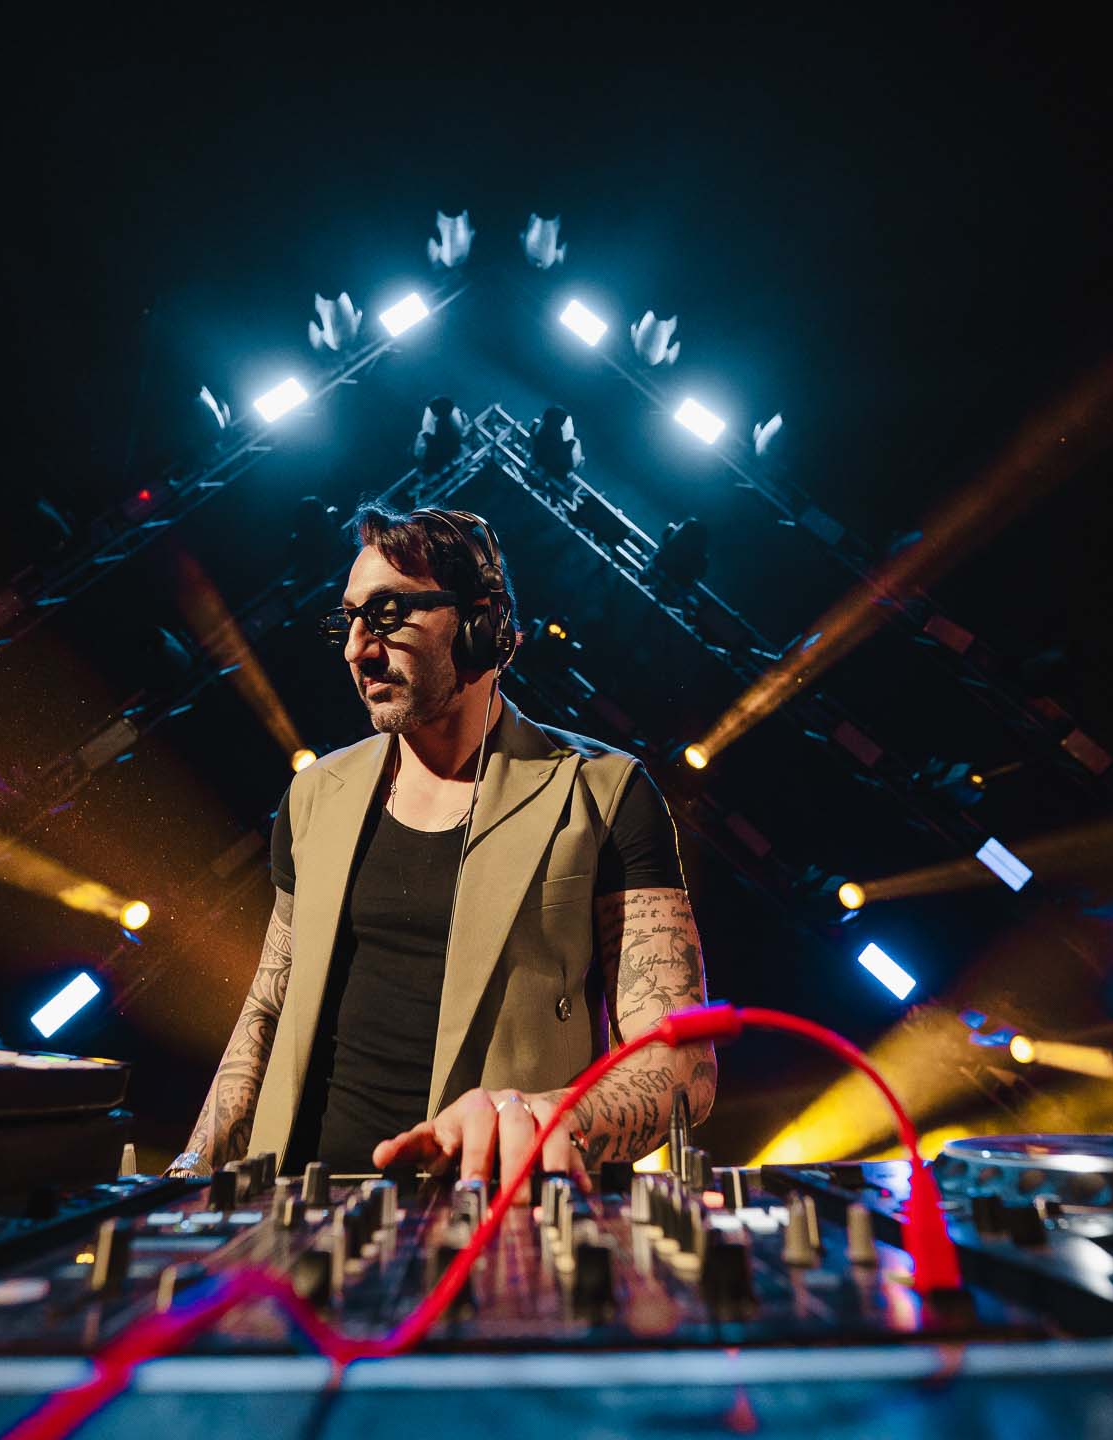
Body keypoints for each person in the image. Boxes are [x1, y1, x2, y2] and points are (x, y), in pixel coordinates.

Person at [168, 502, 715, 1195]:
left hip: (500, 1215)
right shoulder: (315, 796)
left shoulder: (603, 793)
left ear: (483, 626)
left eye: (388, 614)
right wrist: (189, 1175)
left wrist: (551, 1121)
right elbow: (267, 1013)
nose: (357, 649)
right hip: (300, 1210)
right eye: (349, 620)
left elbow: (681, 1064)